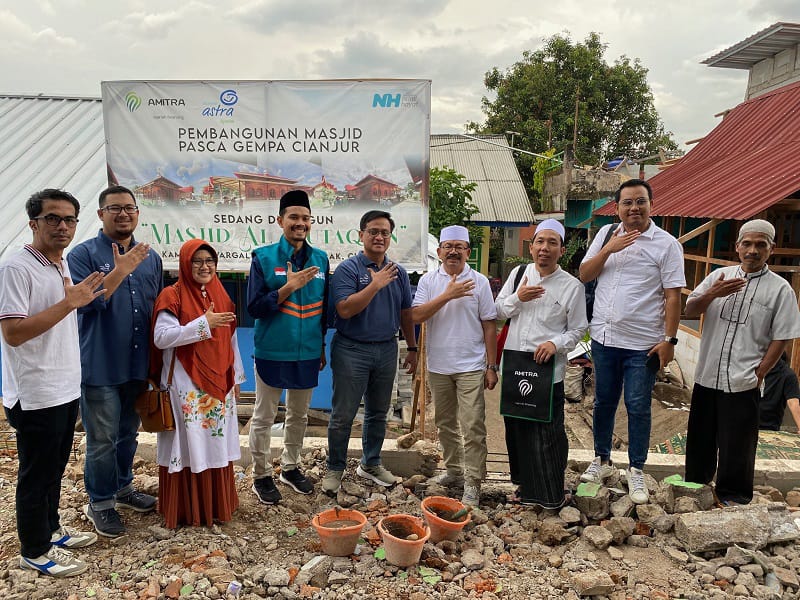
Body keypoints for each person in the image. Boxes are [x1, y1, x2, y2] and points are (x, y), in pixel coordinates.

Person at [0, 189, 106, 577]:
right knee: (36, 474)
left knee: (55, 468)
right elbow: (13, 333)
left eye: (69, 219)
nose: (63, 226)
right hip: (35, 392)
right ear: (33, 223)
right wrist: (69, 302)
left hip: (63, 386)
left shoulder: (58, 264)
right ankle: (34, 549)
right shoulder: (16, 268)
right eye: (52, 218)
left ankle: (51, 530)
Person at [578, 179, 685, 504]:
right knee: (603, 402)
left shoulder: (666, 245)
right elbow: (585, 274)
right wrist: (608, 249)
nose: (634, 208)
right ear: (618, 208)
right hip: (604, 339)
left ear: (651, 205)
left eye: (640, 201)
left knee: (638, 406)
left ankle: (636, 468)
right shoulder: (605, 234)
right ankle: (602, 460)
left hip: (643, 345)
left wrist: (670, 340)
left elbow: (673, 296)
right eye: (627, 202)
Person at [67, 185, 163, 538]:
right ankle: (100, 503)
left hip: (137, 364)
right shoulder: (82, 255)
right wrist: (120, 271)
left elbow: (156, 309)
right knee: (102, 439)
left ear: (137, 213)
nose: (123, 214)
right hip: (101, 365)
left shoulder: (150, 257)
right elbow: (87, 303)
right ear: (100, 214)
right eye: (115, 208)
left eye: (129, 208)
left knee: (127, 433)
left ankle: (123, 489)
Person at [684, 220, 800, 504]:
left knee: (738, 443)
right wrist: (713, 294)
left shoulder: (780, 290)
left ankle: (733, 497)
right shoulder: (718, 276)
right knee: (700, 438)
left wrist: (761, 372)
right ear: (737, 247)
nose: (753, 250)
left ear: (771, 249)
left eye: (761, 245)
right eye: (747, 243)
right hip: (707, 374)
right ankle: (695, 489)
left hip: (743, 379)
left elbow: (782, 336)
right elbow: (690, 309)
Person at [151, 239, 245, 528]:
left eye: (209, 261)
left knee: (215, 442)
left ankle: (216, 505)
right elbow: (161, 337)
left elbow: (230, 339)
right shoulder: (172, 295)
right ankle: (187, 509)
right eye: (197, 261)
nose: (205, 267)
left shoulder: (221, 293)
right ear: (185, 264)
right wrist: (203, 325)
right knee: (190, 442)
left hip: (219, 384)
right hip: (185, 385)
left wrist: (236, 375)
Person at [323, 210, 418, 494]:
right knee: (343, 414)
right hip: (352, 349)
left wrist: (412, 347)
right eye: (373, 231)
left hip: (387, 349)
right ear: (361, 235)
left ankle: (371, 462)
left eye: (384, 233)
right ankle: (335, 467)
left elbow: (406, 313)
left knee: (378, 412)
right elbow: (344, 309)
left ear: (390, 237)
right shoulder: (348, 269)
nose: (379, 237)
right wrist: (375, 285)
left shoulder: (398, 273)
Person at [495, 220, 588, 508]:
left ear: (562, 250)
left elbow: (578, 329)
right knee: (517, 430)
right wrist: (518, 298)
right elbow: (498, 310)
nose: (544, 248)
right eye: (540, 241)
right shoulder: (518, 275)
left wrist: (555, 344)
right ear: (531, 247)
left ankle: (550, 494)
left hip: (547, 372)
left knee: (548, 433)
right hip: (515, 366)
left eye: (552, 242)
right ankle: (524, 487)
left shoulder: (571, 286)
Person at [247, 190, 329, 504]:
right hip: (272, 350)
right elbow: (254, 307)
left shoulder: (321, 259)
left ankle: (291, 467)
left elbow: (323, 309)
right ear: (280, 220)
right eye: (293, 217)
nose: (300, 223)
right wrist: (288, 287)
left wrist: (321, 346)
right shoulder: (264, 258)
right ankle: (261, 474)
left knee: (299, 415)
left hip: (307, 351)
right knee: (264, 416)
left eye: (305, 218)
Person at [411, 225, 497, 506]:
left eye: (459, 247)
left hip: (471, 365)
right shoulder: (428, 281)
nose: (453, 252)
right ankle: (455, 471)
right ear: (439, 252)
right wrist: (448, 294)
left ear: (468, 252)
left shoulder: (480, 282)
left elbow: (489, 324)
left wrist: (491, 365)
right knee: (445, 423)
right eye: (448, 247)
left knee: (473, 425)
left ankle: (473, 481)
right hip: (439, 365)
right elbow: (416, 316)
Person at [759, 353, 800, 432]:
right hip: (744, 424)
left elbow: (793, 402)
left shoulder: (787, 375)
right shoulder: (750, 369)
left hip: (769, 427)